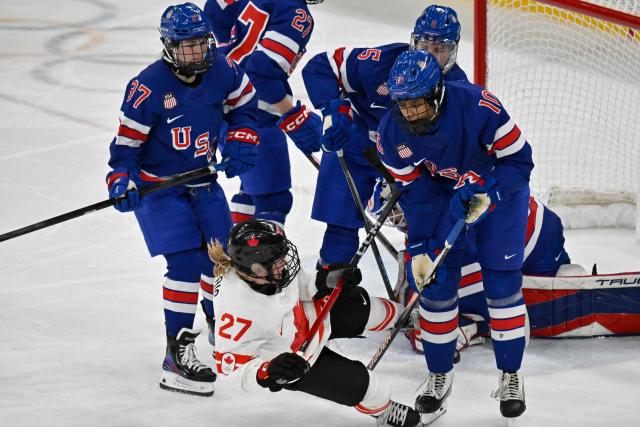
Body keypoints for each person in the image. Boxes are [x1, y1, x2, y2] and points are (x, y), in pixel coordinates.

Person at [106, 3, 260, 397]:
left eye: (201, 43)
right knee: (188, 263)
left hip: (203, 181)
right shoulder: (148, 87)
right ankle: (177, 353)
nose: (197, 53)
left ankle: (219, 326)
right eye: (187, 46)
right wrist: (121, 180)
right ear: (168, 46)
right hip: (159, 189)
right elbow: (124, 153)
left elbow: (244, 105)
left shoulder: (222, 69)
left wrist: (241, 137)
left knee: (226, 257)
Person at [377, 50, 534, 420]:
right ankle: (438, 375)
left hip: (500, 197)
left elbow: (520, 161)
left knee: (501, 284)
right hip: (442, 200)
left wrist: (488, 191)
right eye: (403, 105)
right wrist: (418, 246)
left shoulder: (480, 106)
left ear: (437, 94)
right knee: (435, 286)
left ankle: (510, 375)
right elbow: (416, 196)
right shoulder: (390, 132)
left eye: (417, 104)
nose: (409, 113)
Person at [207, 219, 422, 427]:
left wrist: (324, 280)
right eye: (277, 260)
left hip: (312, 315)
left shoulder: (268, 272)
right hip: (299, 360)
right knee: (372, 388)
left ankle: (412, 319)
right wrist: (267, 371)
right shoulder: (235, 309)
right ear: (257, 269)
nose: (285, 262)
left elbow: (299, 282)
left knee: (372, 307)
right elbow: (230, 373)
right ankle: (383, 409)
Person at [301, 5, 467, 267]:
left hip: (408, 164)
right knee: (339, 229)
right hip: (357, 145)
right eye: (425, 46)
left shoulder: (457, 90)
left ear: (453, 50)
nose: (430, 56)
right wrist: (336, 113)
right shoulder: (381, 62)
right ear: (414, 41)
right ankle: (329, 281)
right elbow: (322, 66)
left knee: (429, 231)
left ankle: (416, 280)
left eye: (440, 49)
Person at [204, 0, 324, 227]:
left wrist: (230, 52)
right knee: (273, 201)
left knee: (251, 190)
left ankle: (236, 258)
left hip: (218, 101)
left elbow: (213, 10)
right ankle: (262, 261)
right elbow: (261, 72)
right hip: (253, 115)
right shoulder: (297, 13)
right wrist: (292, 116)